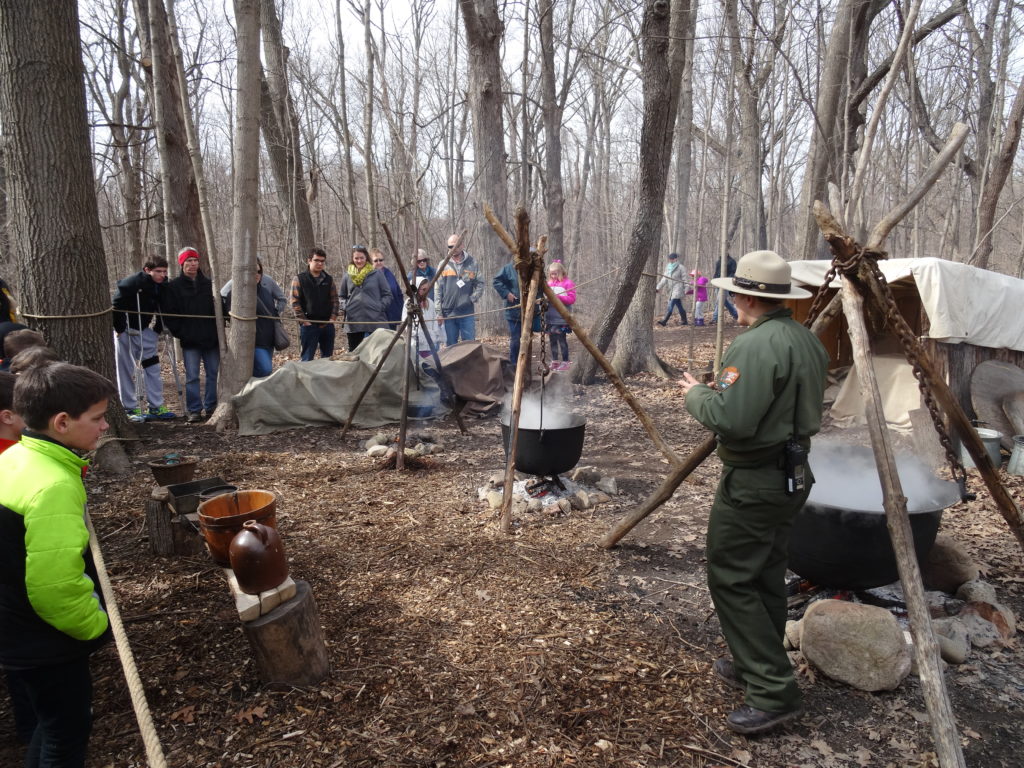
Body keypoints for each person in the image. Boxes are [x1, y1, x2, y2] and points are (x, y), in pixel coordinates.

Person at [679, 249, 828, 735]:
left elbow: (733, 420)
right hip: (792, 476)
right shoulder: (804, 339)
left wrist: (695, 394)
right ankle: (752, 661)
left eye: (734, 297)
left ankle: (771, 691)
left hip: (756, 483)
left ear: (745, 297)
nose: (732, 305)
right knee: (764, 574)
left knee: (731, 579)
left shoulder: (755, 345)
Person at [0, 363, 116, 765]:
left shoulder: (16, 457)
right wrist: (97, 626)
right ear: (62, 422)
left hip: (15, 628)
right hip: (42, 639)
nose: (104, 427)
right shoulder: (52, 485)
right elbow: (56, 587)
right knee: (65, 736)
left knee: (49, 725)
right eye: (98, 418)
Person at [112, 256, 175, 421]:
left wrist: (156, 331)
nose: (162, 275)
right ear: (147, 270)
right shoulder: (132, 283)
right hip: (125, 331)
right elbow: (116, 304)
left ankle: (156, 406)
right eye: (158, 271)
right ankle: (129, 408)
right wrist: (120, 330)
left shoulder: (163, 286)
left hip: (144, 331)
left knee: (152, 366)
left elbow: (166, 309)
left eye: (164, 271)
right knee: (125, 368)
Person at [162, 247, 219, 422]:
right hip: (190, 340)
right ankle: (194, 409)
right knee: (192, 376)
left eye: (195, 260)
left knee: (213, 373)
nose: (193, 264)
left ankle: (211, 407)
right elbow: (169, 314)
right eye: (188, 261)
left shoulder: (209, 284)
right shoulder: (174, 286)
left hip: (211, 338)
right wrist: (182, 333)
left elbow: (219, 308)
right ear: (182, 264)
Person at [223, 259, 282, 378]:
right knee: (265, 369)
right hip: (252, 342)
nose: (257, 275)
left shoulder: (265, 291)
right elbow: (231, 316)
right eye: (253, 272)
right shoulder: (235, 293)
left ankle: (255, 394)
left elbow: (274, 312)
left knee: (265, 374)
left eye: (259, 272)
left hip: (269, 341)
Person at [339, 245, 392, 352]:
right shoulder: (347, 276)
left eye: (362, 258)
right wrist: (347, 307)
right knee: (355, 353)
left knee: (378, 353)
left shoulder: (377, 274)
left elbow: (387, 295)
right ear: (352, 259)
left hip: (375, 319)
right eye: (356, 258)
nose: (359, 261)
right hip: (354, 321)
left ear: (366, 258)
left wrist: (379, 307)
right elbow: (341, 297)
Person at [291, 247, 339, 361]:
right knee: (307, 360)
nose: (320, 263)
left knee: (327, 360)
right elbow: (294, 302)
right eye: (316, 260)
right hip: (309, 326)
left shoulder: (328, 279)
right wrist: (305, 321)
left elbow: (335, 300)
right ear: (309, 261)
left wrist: (332, 319)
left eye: (322, 261)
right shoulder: (299, 279)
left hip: (327, 325)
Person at [436, 234, 482, 345]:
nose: (453, 249)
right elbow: (437, 289)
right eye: (450, 247)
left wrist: (472, 299)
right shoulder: (443, 265)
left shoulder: (472, 263)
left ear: (462, 245)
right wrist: (439, 312)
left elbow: (480, 283)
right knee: (451, 346)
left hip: (466, 312)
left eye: (455, 246)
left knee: (469, 345)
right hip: (448, 312)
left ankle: (469, 363)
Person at [545, 261, 576, 371]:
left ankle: (565, 361)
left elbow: (572, 299)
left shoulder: (568, 283)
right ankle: (555, 361)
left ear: (561, 272)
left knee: (561, 339)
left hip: (561, 318)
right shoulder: (548, 284)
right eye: (551, 274)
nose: (553, 276)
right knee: (552, 339)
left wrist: (559, 297)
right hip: (550, 317)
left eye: (555, 273)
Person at [402, 276, 442, 361]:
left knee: (430, 364)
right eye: (423, 290)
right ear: (417, 289)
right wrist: (416, 335)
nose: (425, 292)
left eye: (427, 290)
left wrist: (434, 334)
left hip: (429, 342)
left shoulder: (430, 302)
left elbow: (434, 320)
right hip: (416, 342)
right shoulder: (409, 303)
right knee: (417, 364)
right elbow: (406, 322)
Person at [492, 260, 525, 362]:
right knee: (516, 339)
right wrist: (507, 293)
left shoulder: (533, 268)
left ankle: (525, 363)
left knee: (527, 339)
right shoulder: (508, 268)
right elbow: (496, 281)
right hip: (513, 311)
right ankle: (514, 364)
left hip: (530, 311)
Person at [371, 248, 403, 330]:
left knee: (391, 340)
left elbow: (398, 293)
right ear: (371, 262)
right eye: (375, 260)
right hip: (375, 317)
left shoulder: (389, 274)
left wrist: (400, 311)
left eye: (381, 260)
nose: (379, 262)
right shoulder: (369, 275)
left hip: (391, 315)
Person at [656, 252, 688, 326]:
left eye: (672, 259)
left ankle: (664, 321)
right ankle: (684, 320)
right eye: (670, 259)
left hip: (678, 288)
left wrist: (686, 288)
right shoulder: (668, 267)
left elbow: (685, 279)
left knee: (671, 303)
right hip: (671, 289)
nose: (671, 260)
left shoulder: (681, 267)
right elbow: (664, 278)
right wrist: (658, 287)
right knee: (679, 306)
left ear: (676, 259)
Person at [712, 254, 739, 325]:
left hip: (725, 283)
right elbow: (716, 272)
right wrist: (714, 280)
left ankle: (715, 318)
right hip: (718, 283)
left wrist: (727, 281)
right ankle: (736, 314)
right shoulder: (719, 261)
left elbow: (733, 273)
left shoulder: (732, 261)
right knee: (723, 301)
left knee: (720, 300)